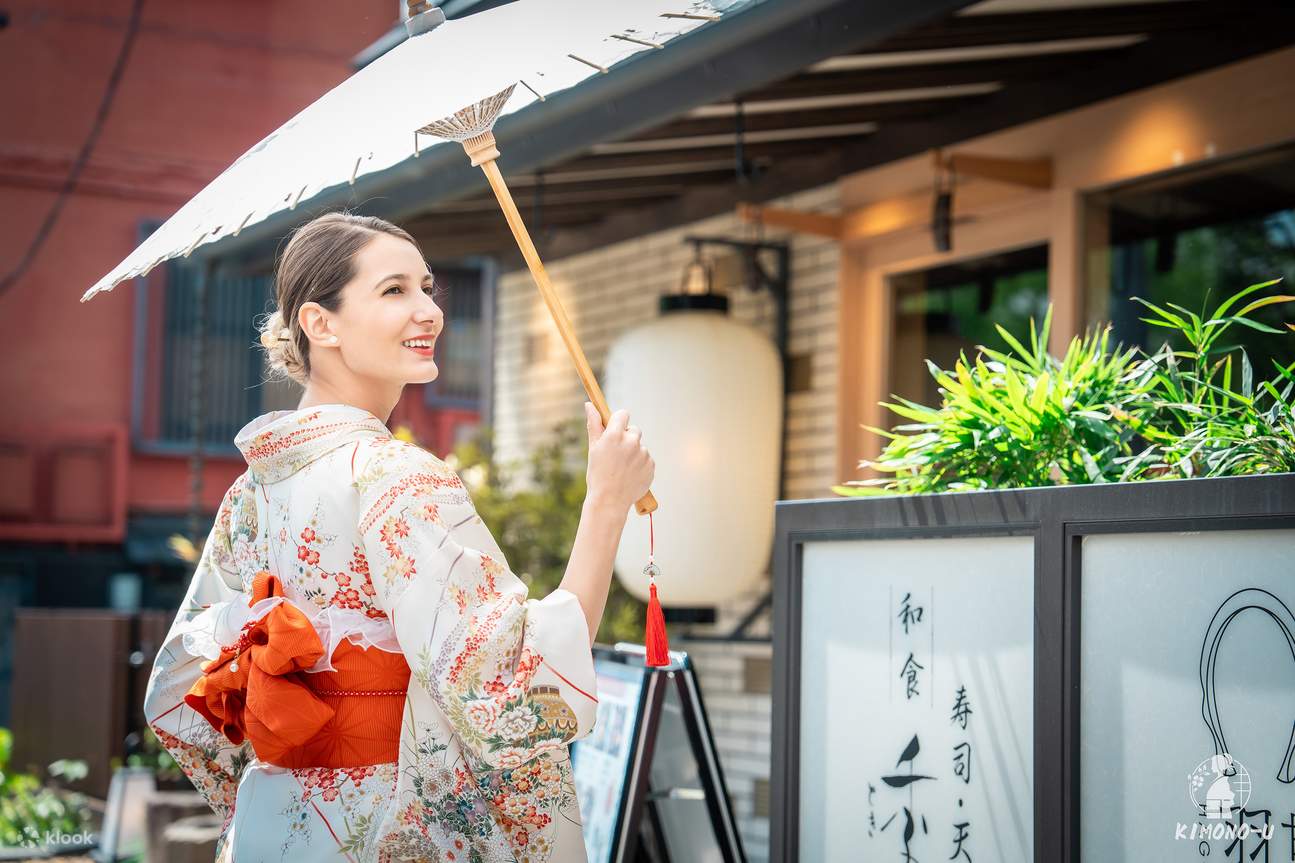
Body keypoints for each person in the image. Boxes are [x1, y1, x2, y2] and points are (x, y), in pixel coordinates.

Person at [143, 211, 655, 862]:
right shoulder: (393, 474)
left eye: (427, 287)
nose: (430, 311)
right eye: (394, 290)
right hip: (383, 819)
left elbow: (178, 685)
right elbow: (502, 684)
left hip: (272, 820)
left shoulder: (250, 492)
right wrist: (606, 503)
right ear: (319, 323)